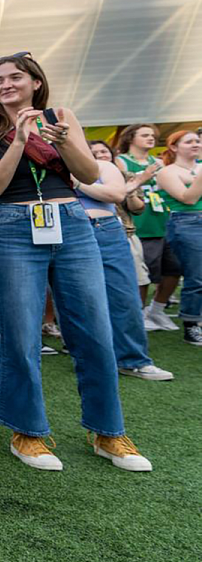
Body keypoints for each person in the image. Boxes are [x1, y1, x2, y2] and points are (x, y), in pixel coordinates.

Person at [0, 53, 151, 472]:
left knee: (94, 329)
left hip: (72, 220)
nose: (5, 85)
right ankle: (27, 433)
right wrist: (17, 139)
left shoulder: (61, 115)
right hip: (16, 224)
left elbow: (89, 174)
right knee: (19, 332)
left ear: (36, 82)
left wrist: (65, 140)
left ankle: (109, 433)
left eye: (15, 77)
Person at [75, 141, 173, 381]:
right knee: (80, 300)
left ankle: (133, 360)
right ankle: (94, 360)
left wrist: (76, 182)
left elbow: (115, 194)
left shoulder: (103, 167)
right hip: (69, 230)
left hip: (107, 230)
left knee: (124, 297)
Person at [113, 124, 181, 331]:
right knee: (144, 272)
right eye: (145, 135)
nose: (151, 138)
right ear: (131, 138)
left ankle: (157, 310)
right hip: (139, 224)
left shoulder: (159, 162)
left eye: (152, 135)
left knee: (175, 268)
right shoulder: (120, 161)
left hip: (163, 220)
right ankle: (139, 314)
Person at [157, 129, 202, 347]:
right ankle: (192, 324)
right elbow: (188, 199)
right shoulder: (167, 172)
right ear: (174, 147)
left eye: (197, 141)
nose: (196, 144)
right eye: (189, 141)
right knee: (197, 276)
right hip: (189, 222)